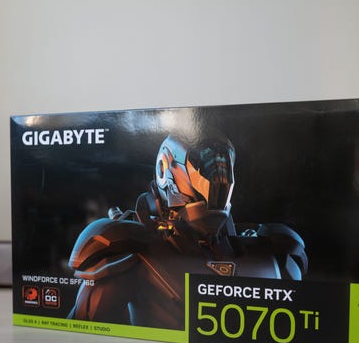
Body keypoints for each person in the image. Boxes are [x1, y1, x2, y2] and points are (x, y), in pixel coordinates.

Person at [67, 134, 307, 329]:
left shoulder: (275, 251)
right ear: (167, 169)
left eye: (222, 166)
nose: (218, 177)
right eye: (209, 164)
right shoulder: (130, 250)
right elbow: (85, 334)